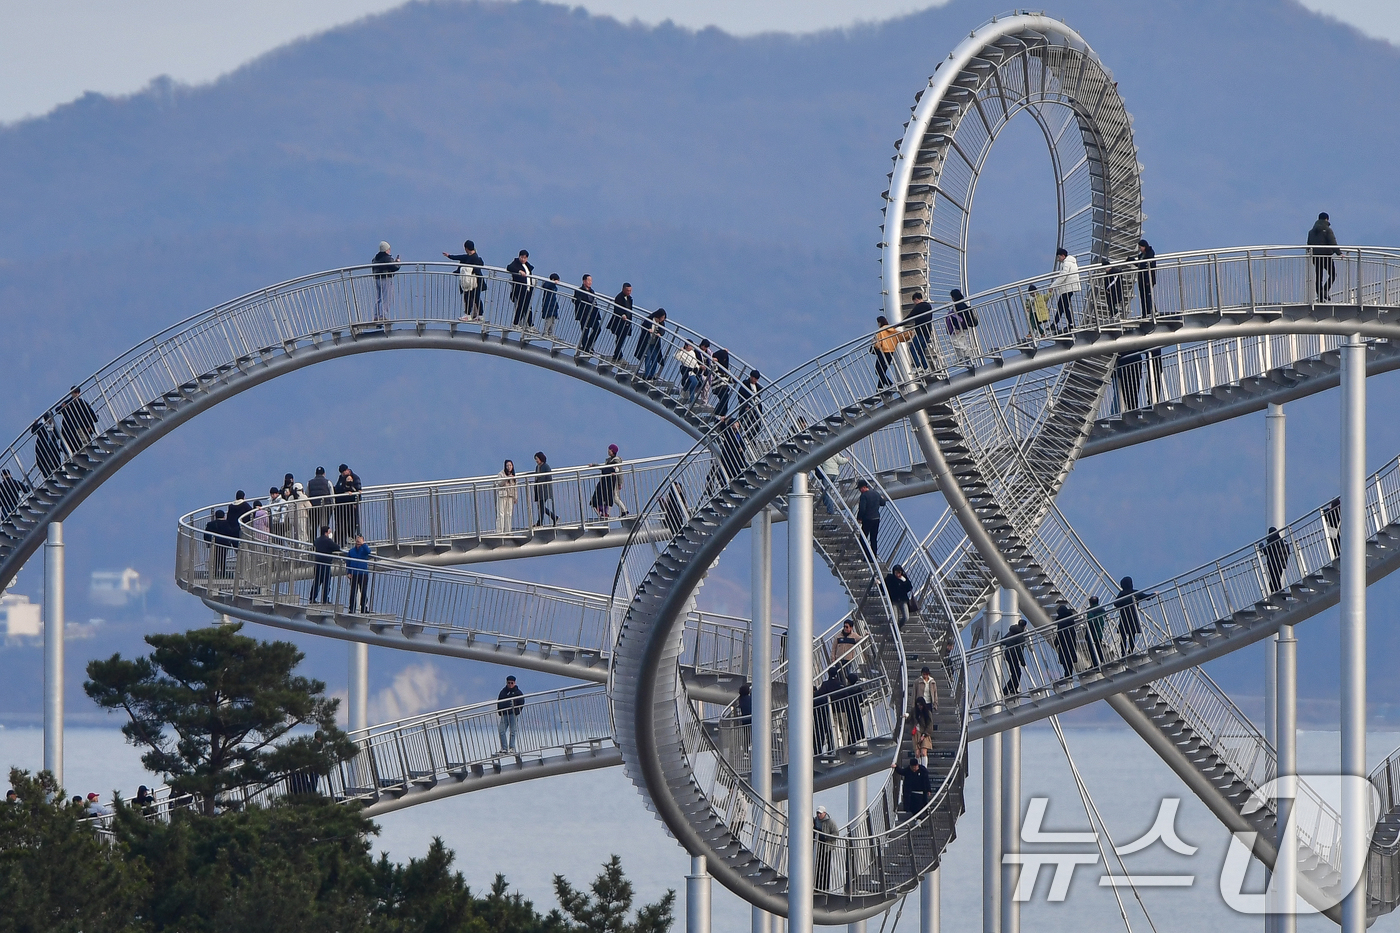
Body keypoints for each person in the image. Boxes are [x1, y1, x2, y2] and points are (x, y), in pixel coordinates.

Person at [444, 240, 486, 321]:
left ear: (466, 248)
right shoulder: (473, 257)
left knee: (469, 297)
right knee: (475, 297)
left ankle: (469, 315)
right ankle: (479, 315)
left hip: (473, 282)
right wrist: (449, 256)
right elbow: (458, 258)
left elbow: (460, 259)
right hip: (475, 281)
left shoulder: (474, 258)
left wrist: (449, 256)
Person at [1114, 576, 1154, 655]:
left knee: (1123, 636)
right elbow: (1147, 597)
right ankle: (1130, 651)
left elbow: (1116, 604)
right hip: (1133, 617)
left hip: (1124, 617)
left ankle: (1123, 652)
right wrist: (1155, 593)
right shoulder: (1135, 593)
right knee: (1132, 635)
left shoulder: (1122, 594)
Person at [1307, 212, 1339, 301]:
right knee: (1332, 274)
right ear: (1326, 219)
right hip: (1326, 256)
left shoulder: (1311, 232)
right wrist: (1339, 253)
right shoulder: (1328, 230)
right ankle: (1325, 290)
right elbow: (1333, 242)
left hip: (1316, 257)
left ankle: (1320, 296)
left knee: (1319, 277)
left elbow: (1309, 244)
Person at [58, 387, 98, 456]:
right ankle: (71, 458)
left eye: (78, 392)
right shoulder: (68, 403)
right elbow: (57, 410)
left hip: (81, 427)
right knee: (70, 444)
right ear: (71, 393)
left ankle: (84, 456)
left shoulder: (82, 402)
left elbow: (89, 414)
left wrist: (90, 425)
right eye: (75, 392)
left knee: (85, 441)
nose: (76, 394)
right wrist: (62, 407)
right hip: (70, 428)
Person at [872, 315, 909, 388]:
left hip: (883, 352)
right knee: (882, 371)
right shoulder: (892, 330)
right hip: (891, 352)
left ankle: (890, 384)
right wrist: (910, 333)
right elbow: (901, 337)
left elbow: (878, 345)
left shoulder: (881, 331)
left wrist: (874, 342)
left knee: (878, 370)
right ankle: (880, 388)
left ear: (879, 323)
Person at [1051, 247, 1081, 332]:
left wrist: (1053, 285)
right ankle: (1055, 324)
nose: (1058, 259)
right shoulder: (1070, 262)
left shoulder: (1066, 263)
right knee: (1062, 305)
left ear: (1063, 255)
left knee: (1062, 305)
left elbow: (1063, 275)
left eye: (1059, 256)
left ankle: (1069, 324)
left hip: (1068, 287)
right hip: (1070, 287)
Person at [371, 241, 401, 322]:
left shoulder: (375, 259)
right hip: (386, 279)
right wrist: (398, 262)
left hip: (377, 279)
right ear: (386, 249)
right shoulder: (387, 258)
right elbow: (395, 267)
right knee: (386, 297)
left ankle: (376, 315)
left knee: (379, 297)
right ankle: (382, 315)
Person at [947, 288, 979, 361]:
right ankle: (964, 357)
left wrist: (958, 328)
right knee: (962, 341)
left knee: (954, 341)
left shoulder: (958, 305)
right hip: (964, 326)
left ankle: (966, 351)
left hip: (960, 327)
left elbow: (960, 318)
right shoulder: (962, 304)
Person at [310, 526, 340, 604]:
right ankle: (325, 599)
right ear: (326, 532)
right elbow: (337, 547)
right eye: (329, 532)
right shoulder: (328, 541)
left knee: (317, 581)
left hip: (318, 563)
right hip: (326, 563)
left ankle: (312, 598)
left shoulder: (317, 540)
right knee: (326, 582)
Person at [590, 444, 621, 519]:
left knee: (609, 497)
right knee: (600, 497)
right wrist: (594, 465)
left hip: (609, 480)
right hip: (605, 479)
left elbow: (618, 470)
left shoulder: (616, 460)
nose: (608, 451)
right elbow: (603, 468)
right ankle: (603, 513)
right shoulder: (608, 460)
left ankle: (606, 513)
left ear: (612, 451)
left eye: (609, 449)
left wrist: (619, 483)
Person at [506, 249, 535, 327]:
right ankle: (516, 323)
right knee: (521, 306)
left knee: (528, 307)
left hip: (528, 289)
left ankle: (530, 325)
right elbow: (509, 267)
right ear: (519, 257)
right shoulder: (516, 263)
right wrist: (519, 271)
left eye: (525, 258)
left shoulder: (527, 266)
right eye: (521, 257)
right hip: (520, 289)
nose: (523, 259)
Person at [334, 464, 363, 543]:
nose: (343, 474)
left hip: (351, 504)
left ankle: (351, 537)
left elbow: (358, 490)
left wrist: (356, 501)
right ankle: (341, 540)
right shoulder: (341, 478)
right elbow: (337, 488)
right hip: (342, 504)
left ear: (347, 470)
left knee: (352, 522)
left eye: (344, 472)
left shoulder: (355, 478)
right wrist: (344, 489)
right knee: (341, 523)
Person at [814, 805, 840, 891]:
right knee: (816, 867)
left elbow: (836, 833)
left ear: (824, 813)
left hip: (826, 848)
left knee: (825, 868)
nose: (818, 815)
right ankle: (816, 886)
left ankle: (825, 887)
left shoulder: (830, 822)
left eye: (820, 813)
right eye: (817, 813)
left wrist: (826, 837)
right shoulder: (815, 821)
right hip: (817, 848)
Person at [856, 480, 885, 557]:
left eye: (860, 489)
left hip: (868, 519)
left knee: (863, 539)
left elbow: (862, 509)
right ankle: (874, 556)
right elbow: (883, 503)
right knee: (873, 538)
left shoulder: (864, 496)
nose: (860, 491)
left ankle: (868, 556)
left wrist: (859, 518)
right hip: (876, 518)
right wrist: (882, 498)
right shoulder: (876, 493)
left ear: (863, 487)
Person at [607, 283, 635, 362]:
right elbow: (617, 309)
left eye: (630, 290)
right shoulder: (619, 297)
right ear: (623, 289)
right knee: (620, 339)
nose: (629, 292)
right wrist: (622, 315)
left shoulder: (630, 299)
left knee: (621, 339)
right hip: (619, 322)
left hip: (626, 323)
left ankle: (618, 354)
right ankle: (617, 355)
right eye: (627, 290)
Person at [907, 290, 934, 369]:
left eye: (914, 301)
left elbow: (909, 317)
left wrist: (898, 324)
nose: (914, 303)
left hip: (920, 332)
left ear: (916, 299)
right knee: (921, 350)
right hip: (928, 331)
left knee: (912, 348)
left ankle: (918, 366)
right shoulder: (928, 306)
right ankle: (925, 367)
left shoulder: (918, 307)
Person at [815, 449, 848, 515]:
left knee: (826, 492)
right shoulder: (834, 452)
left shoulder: (823, 453)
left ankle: (830, 510)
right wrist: (846, 459)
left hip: (827, 473)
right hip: (834, 474)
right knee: (826, 490)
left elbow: (818, 460)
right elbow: (841, 461)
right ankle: (826, 503)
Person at [496, 675, 524, 753]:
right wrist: (500, 711)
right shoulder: (503, 692)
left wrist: (517, 711)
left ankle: (512, 747)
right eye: (509, 683)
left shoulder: (518, 692)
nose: (510, 684)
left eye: (512, 683)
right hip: (504, 714)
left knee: (513, 731)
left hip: (513, 714)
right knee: (501, 730)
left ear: (514, 683)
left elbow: (521, 702)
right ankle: (504, 747)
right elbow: (499, 701)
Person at [346, 534, 372, 613]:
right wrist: (349, 572)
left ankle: (363, 607)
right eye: (357, 540)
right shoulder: (351, 551)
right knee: (353, 591)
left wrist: (363, 544)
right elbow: (348, 562)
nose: (358, 542)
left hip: (363, 573)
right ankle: (352, 608)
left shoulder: (364, 549)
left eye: (359, 541)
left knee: (363, 591)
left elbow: (368, 551)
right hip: (354, 573)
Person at [1001, 618, 1028, 695]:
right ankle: (1010, 689)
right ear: (1024, 626)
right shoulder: (1021, 636)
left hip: (1008, 654)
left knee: (1015, 673)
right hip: (1014, 655)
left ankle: (1009, 689)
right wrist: (1022, 661)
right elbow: (1020, 650)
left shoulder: (1011, 632)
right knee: (1017, 673)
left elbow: (1003, 641)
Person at [640, 309, 668, 379]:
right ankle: (647, 374)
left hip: (655, 343)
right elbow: (643, 326)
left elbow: (662, 330)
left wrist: (660, 333)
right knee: (648, 357)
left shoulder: (661, 323)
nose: (663, 319)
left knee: (655, 359)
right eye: (662, 317)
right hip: (647, 342)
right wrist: (648, 329)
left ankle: (652, 375)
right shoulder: (649, 319)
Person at [1053, 601, 1078, 680]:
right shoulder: (1070, 620)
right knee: (1070, 658)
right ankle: (1069, 673)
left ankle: (1067, 674)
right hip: (1071, 641)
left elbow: (1059, 632)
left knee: (1064, 659)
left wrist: (1056, 642)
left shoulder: (1061, 622)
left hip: (1063, 643)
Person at [204, 509, 232, 578]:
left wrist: (208, 542)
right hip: (225, 543)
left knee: (216, 558)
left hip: (215, 543)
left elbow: (206, 535)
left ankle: (215, 573)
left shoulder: (210, 524)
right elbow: (230, 533)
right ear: (223, 516)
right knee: (223, 558)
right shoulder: (227, 523)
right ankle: (222, 573)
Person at [532, 451, 557, 526]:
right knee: (541, 506)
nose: (536, 461)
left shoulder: (546, 466)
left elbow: (549, 478)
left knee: (541, 506)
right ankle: (554, 517)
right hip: (539, 490)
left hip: (544, 489)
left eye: (537, 459)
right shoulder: (537, 467)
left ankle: (540, 522)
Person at [307, 467, 334, 538]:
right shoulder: (328, 482)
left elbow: (307, 495)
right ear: (324, 474)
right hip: (326, 507)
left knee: (314, 525)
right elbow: (332, 496)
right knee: (324, 526)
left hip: (314, 507)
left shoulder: (310, 483)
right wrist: (332, 506)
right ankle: (324, 541)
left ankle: (313, 543)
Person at [1263, 526, 1291, 593]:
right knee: (1276, 579)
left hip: (1273, 564)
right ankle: (1273, 593)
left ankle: (1277, 594)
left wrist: (1261, 546)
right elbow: (1287, 551)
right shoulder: (1283, 542)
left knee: (1274, 580)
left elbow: (1265, 551)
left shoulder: (1272, 542)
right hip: (1281, 564)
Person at [495, 459, 519, 534]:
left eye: (510, 465)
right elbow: (500, 483)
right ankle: (500, 531)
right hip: (503, 495)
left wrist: (515, 497)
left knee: (509, 513)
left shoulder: (514, 475)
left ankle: (508, 530)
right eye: (507, 465)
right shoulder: (501, 474)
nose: (509, 467)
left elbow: (515, 487)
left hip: (510, 496)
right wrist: (507, 478)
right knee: (501, 513)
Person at [676, 340, 703, 406]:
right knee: (694, 382)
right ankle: (692, 400)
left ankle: (684, 390)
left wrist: (698, 367)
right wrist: (680, 350)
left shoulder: (692, 352)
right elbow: (677, 357)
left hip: (694, 369)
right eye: (690, 345)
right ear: (686, 346)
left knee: (694, 382)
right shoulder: (683, 352)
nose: (691, 347)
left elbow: (695, 361)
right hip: (688, 369)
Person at [910, 697, 935, 767]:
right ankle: (918, 768)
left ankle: (924, 769)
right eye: (918, 705)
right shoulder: (914, 712)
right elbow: (909, 719)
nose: (919, 707)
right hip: (915, 733)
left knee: (923, 752)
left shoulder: (927, 713)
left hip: (924, 733)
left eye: (920, 705)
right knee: (917, 754)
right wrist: (906, 716)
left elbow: (929, 725)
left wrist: (924, 735)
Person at [1085, 595, 1107, 667]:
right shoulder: (1102, 610)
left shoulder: (1091, 611)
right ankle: (1101, 661)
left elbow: (1090, 621)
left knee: (1092, 649)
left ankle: (1095, 664)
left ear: (1090, 603)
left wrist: (1087, 634)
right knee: (1098, 647)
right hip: (1099, 631)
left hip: (1093, 633)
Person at [711, 347, 732, 417]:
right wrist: (714, 360)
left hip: (724, 387)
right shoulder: (716, 365)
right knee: (725, 398)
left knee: (724, 401)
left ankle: (719, 415)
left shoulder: (726, 369)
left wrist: (735, 379)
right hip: (718, 386)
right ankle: (718, 414)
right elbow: (712, 366)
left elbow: (729, 379)